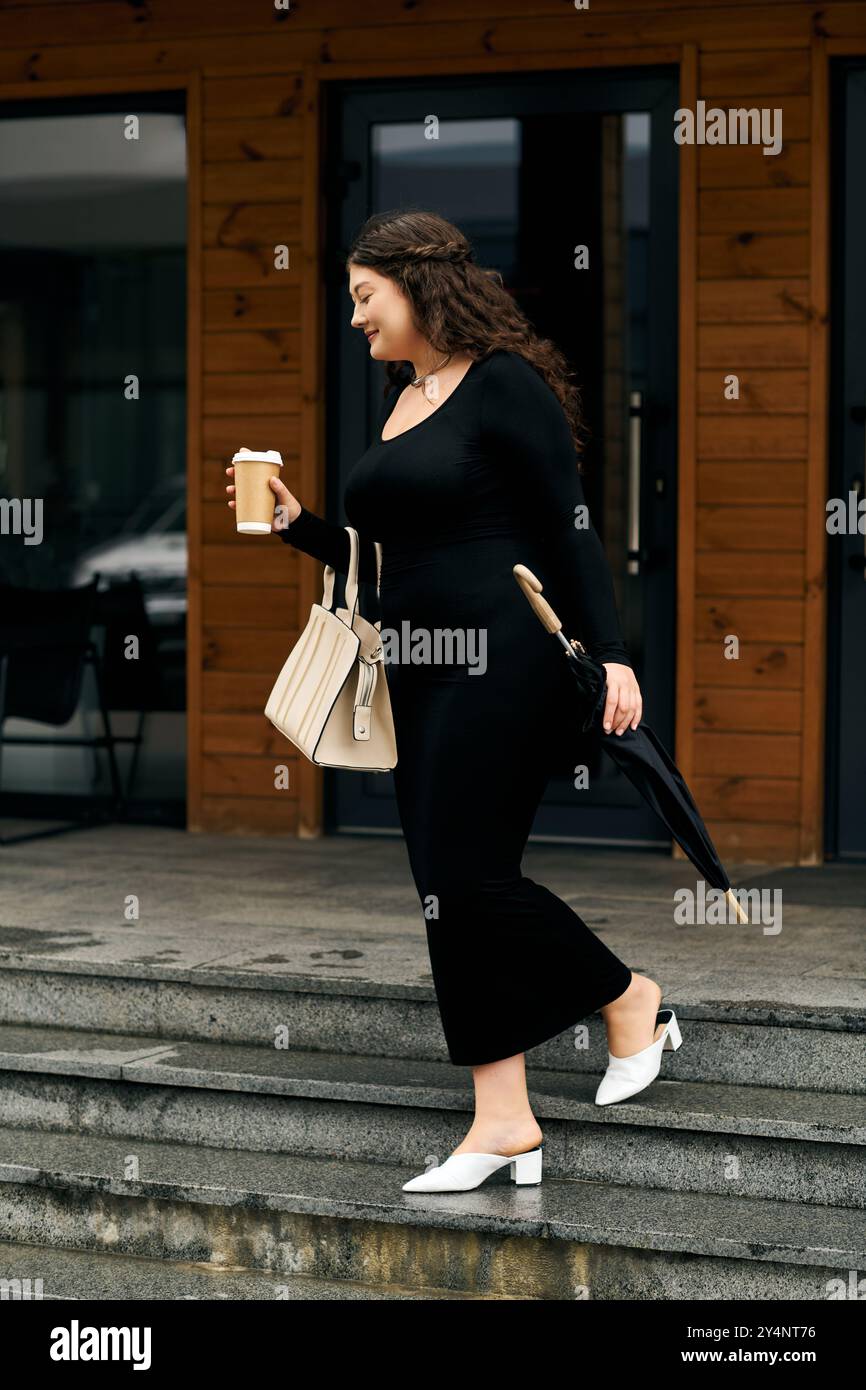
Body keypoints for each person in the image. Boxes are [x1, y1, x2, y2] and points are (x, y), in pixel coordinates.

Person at [226, 209, 679, 1194]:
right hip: (417, 668)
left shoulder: (501, 386)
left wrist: (611, 654)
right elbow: (388, 554)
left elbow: (568, 526)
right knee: (444, 889)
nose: (355, 320)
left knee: (469, 879)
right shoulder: (404, 397)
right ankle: (503, 1120)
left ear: (416, 285)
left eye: (362, 298)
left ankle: (628, 995)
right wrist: (300, 523)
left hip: (499, 662)